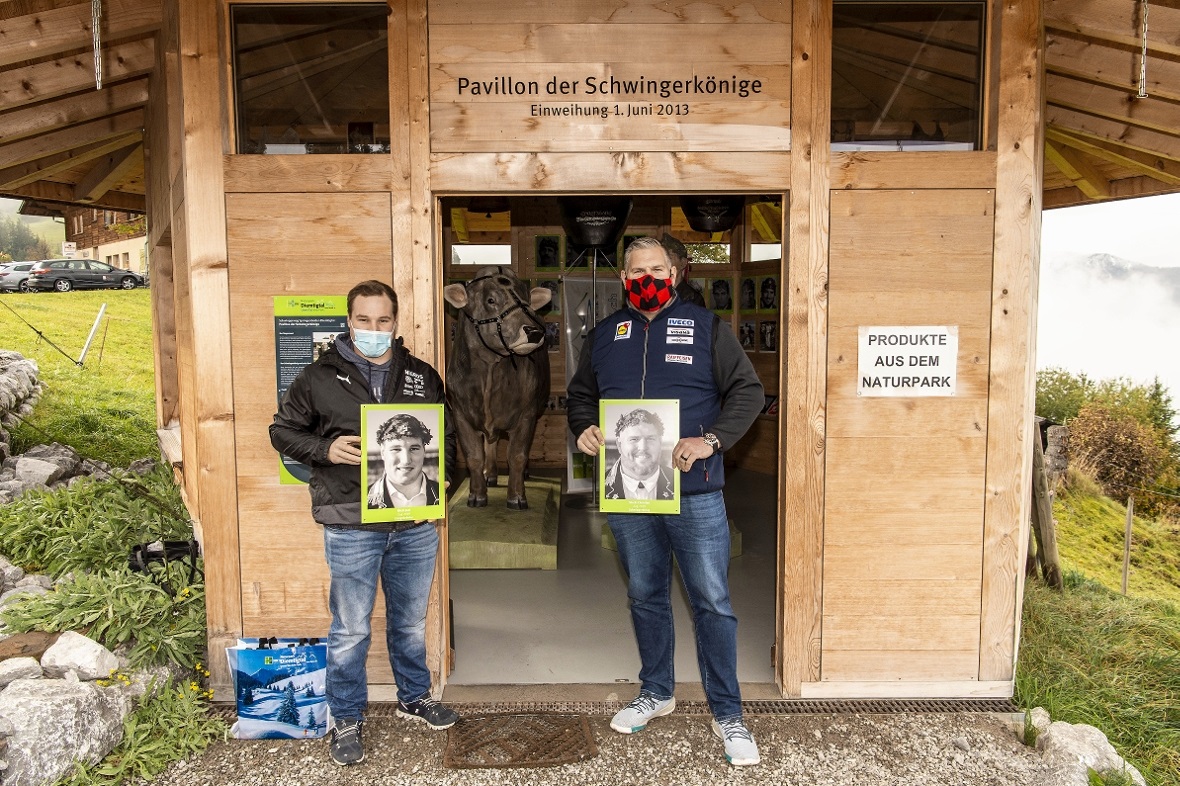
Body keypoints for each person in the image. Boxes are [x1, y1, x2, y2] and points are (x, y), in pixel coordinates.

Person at [567, 236, 765, 767]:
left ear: (674, 273)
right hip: (629, 491)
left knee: (712, 602)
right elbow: (581, 394)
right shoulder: (606, 335)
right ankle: (657, 692)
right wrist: (584, 426)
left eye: (657, 269)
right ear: (624, 278)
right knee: (646, 595)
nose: (646, 278)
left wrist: (713, 439)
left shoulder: (707, 328)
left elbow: (749, 391)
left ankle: (729, 715)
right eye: (636, 271)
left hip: (695, 489)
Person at [269, 280, 458, 767]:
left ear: (395, 322)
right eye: (363, 320)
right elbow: (281, 430)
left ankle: (415, 697)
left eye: (383, 320)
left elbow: (448, 435)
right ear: (348, 321)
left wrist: (442, 486)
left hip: (414, 523)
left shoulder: (421, 374)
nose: (373, 330)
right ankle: (347, 717)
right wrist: (324, 450)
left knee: (411, 621)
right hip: (350, 522)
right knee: (351, 628)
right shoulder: (317, 377)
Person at [366, 414, 441, 510]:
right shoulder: (362, 499)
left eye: (413, 449)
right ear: (383, 453)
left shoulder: (442, 494)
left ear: (424, 451)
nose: (406, 461)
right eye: (396, 449)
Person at [604, 408, 675, 500]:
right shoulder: (602, 484)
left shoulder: (677, 481)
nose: (643, 447)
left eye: (650, 438)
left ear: (660, 443)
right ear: (619, 445)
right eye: (634, 439)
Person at [661, 233, 706, 307]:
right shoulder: (653, 294)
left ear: (683, 263)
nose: (664, 262)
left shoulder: (693, 298)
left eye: (670, 257)